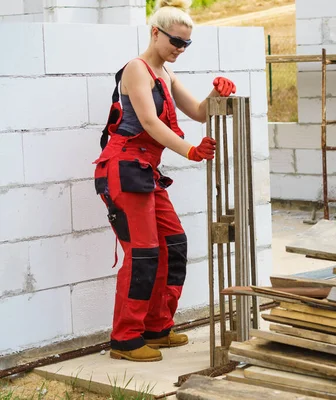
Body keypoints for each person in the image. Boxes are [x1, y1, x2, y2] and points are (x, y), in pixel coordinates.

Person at [92, 0, 236, 362]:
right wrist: (190, 151)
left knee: (173, 244)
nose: (180, 49)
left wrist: (217, 92)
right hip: (124, 169)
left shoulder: (166, 75)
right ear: (155, 32)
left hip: (146, 173)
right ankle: (125, 338)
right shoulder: (136, 70)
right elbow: (151, 123)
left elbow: (200, 113)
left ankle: (157, 328)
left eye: (186, 44)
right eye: (175, 41)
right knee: (142, 252)